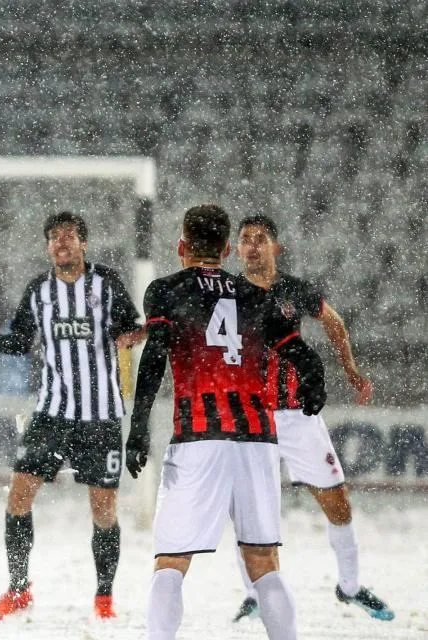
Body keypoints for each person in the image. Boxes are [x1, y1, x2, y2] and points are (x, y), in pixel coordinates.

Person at [122, 204, 327, 640]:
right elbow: (302, 355)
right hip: (257, 439)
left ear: (182, 246)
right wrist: (315, 385)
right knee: (263, 563)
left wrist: (138, 427)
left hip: (199, 436)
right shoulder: (256, 294)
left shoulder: (166, 290)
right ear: (228, 248)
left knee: (171, 562)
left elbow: (155, 356)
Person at [0, 211, 145, 621]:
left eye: (69, 236)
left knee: (103, 511)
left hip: (101, 416)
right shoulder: (39, 291)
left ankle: (104, 599)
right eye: (54, 237)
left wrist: (134, 335)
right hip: (52, 412)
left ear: (84, 243)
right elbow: (19, 343)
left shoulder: (107, 283)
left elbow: (133, 329)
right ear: (47, 246)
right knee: (18, 498)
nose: (61, 243)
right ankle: (18, 589)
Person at [231, 214, 394, 622]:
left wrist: (350, 369)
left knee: (337, 504)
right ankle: (256, 593)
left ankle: (350, 586)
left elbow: (334, 322)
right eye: (245, 239)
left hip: (297, 417)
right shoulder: (228, 294)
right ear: (236, 249)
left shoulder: (294, 290)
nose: (252, 246)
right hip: (250, 420)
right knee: (253, 516)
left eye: (261, 239)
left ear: (276, 247)